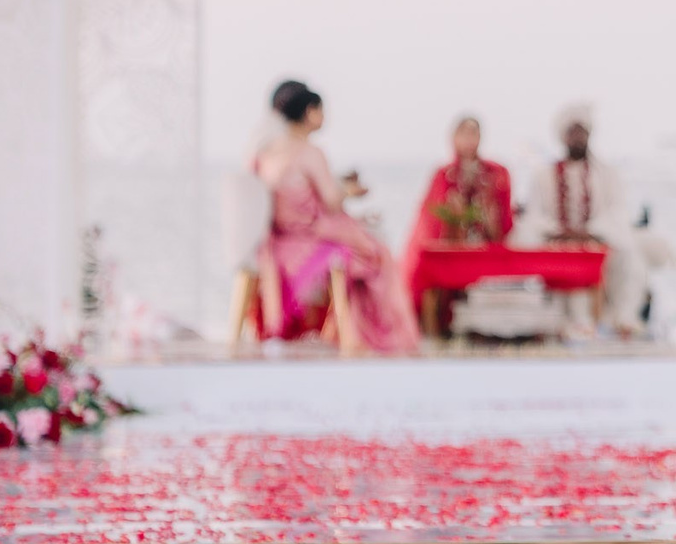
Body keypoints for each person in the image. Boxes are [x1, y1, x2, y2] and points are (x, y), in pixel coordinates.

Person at [251, 80, 418, 354]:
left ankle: (347, 331)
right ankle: (378, 336)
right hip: (310, 233)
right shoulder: (310, 152)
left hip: (280, 235)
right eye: (320, 110)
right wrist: (350, 190)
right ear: (308, 112)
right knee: (377, 254)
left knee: (364, 237)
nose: (324, 116)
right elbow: (331, 200)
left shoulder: (266, 151)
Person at [533, 103, 647, 337]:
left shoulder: (607, 173)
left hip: (599, 239)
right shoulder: (544, 175)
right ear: (563, 136)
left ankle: (623, 320)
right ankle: (566, 324)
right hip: (558, 241)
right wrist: (559, 232)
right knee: (560, 260)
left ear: (589, 135)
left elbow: (617, 211)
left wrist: (591, 232)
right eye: (572, 131)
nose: (577, 137)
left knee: (630, 257)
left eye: (581, 131)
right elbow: (535, 215)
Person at [400, 116, 513, 336]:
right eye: (464, 134)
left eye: (474, 134)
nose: (469, 140)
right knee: (431, 273)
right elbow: (430, 219)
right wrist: (454, 219)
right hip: (450, 247)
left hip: (484, 248)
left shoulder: (496, 173)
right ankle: (433, 331)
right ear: (453, 138)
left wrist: (488, 217)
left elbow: (504, 222)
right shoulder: (443, 175)